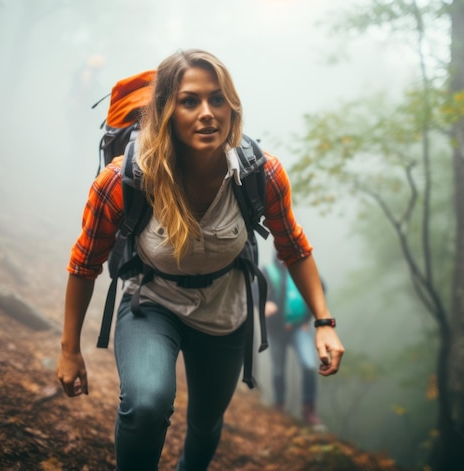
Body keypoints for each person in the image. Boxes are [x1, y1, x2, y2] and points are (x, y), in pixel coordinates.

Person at [56, 48, 344, 471]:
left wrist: (323, 322)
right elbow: (84, 265)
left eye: (217, 98)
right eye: (189, 100)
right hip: (149, 303)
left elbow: (294, 248)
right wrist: (69, 350)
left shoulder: (260, 175)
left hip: (226, 313)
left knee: (207, 422)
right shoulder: (123, 180)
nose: (207, 112)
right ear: (165, 110)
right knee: (146, 405)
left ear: (232, 106)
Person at [263, 252, 327, 430]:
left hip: (299, 328)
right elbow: (255, 291)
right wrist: (264, 303)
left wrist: (309, 319)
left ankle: (308, 410)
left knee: (309, 365)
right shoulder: (268, 272)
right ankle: (279, 406)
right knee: (278, 370)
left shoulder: (303, 269)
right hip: (276, 330)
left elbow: (320, 289)